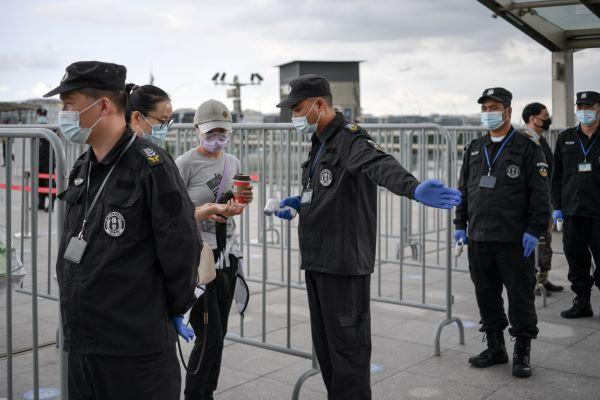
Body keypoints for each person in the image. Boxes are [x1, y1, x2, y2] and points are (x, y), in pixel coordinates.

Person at [274, 74, 461, 399]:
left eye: (297, 108)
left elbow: (380, 164)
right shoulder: (320, 141)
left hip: (343, 265)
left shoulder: (350, 139)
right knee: (328, 352)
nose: (294, 116)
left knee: (349, 355)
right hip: (318, 261)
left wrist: (413, 188)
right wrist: (299, 203)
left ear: (319, 105)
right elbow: (326, 191)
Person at [46, 61, 200, 399]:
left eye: (69, 104)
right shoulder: (84, 165)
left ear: (103, 106)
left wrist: (172, 308)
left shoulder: (151, 165)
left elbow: (182, 247)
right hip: (84, 340)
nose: (63, 114)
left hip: (133, 348)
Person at [454, 88, 550, 378]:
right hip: (480, 237)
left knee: (520, 297)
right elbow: (464, 190)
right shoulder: (474, 148)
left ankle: (522, 351)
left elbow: (540, 193)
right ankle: (495, 346)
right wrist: (460, 225)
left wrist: (534, 229)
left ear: (508, 111)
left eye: (494, 108)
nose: (488, 113)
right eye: (484, 109)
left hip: (513, 238)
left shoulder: (527, 147)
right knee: (486, 295)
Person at [175, 99, 253, 400]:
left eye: (223, 133)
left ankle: (205, 392)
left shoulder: (232, 162)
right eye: (210, 133)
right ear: (197, 130)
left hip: (227, 255)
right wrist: (209, 210)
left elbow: (234, 204)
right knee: (209, 337)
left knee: (218, 337)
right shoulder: (184, 164)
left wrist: (237, 206)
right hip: (198, 259)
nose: (217, 139)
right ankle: (196, 394)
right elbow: (173, 216)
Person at [551, 91, 600, 319]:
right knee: (576, 260)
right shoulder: (566, 138)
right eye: (579, 106)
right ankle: (582, 302)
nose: (583, 110)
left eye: (588, 106)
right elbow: (556, 176)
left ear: (598, 108)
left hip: (598, 212)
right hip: (573, 211)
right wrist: (556, 207)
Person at [522, 102, 563, 296]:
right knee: (536, 242)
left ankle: (543, 279)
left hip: (544, 198)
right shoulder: (523, 141)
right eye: (545, 116)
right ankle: (532, 282)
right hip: (532, 202)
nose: (548, 120)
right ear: (533, 119)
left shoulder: (540, 140)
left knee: (545, 242)